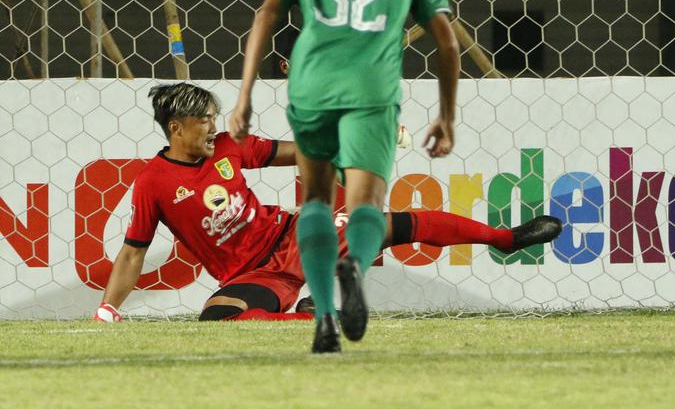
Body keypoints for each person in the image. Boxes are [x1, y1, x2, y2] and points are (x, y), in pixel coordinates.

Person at [229, 0, 558, 352]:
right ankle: (355, 266)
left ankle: (324, 317)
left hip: (312, 92)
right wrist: (447, 115)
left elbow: (265, 16)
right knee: (366, 207)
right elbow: (447, 43)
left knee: (317, 202)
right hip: (371, 94)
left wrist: (245, 96)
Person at [96, 83, 560, 324]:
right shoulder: (152, 183)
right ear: (176, 128)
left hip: (295, 237)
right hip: (252, 275)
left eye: (214, 119)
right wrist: (108, 309)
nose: (213, 128)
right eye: (204, 122)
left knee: (388, 224)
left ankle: (505, 238)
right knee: (218, 318)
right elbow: (134, 252)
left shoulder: (229, 147)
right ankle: (313, 317)